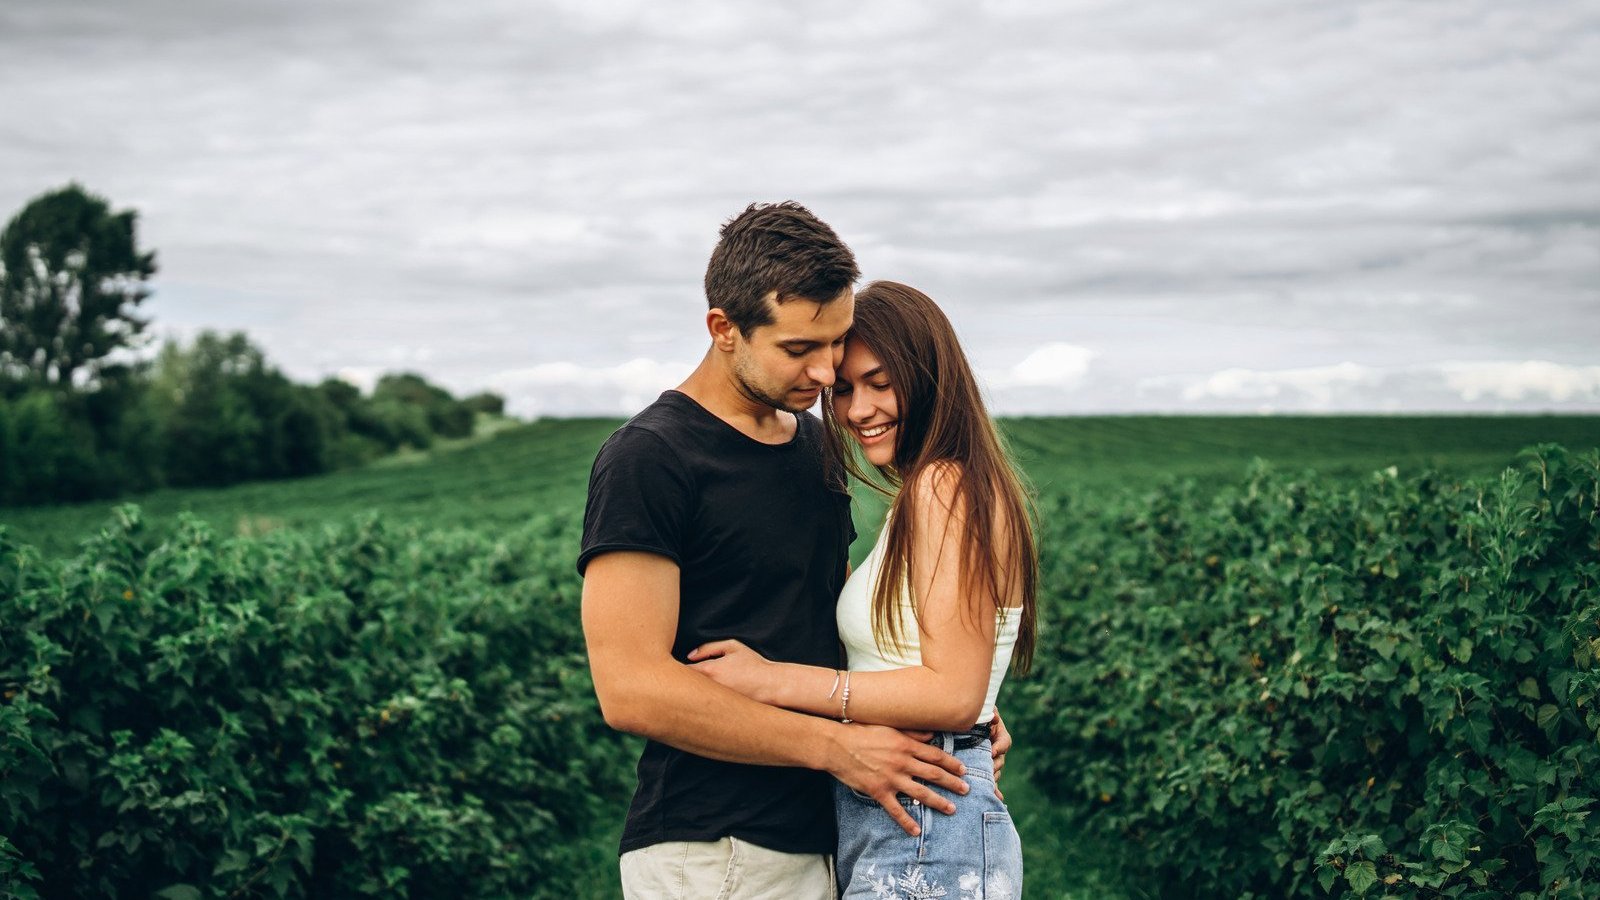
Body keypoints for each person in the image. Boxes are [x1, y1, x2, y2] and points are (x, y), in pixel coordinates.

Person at [579, 205, 980, 900]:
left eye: (836, 344)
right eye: (799, 349)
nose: (827, 373)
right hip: (716, 845)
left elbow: (840, 616)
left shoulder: (814, 446)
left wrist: (953, 707)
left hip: (824, 827)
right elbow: (630, 687)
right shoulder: (651, 457)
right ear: (723, 329)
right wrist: (836, 748)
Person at [687, 280, 1039, 899]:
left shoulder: (942, 487)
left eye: (881, 382)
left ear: (931, 376)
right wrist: (975, 715)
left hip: (925, 821)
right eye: (844, 389)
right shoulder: (938, 490)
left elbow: (953, 692)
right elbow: (951, 673)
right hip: (911, 817)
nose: (857, 410)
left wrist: (775, 680)